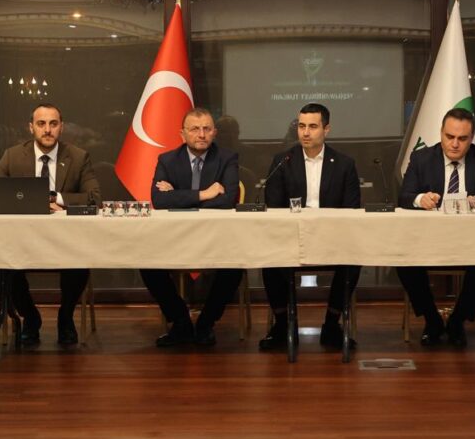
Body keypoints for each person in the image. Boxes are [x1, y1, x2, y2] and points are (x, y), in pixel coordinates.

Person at [0, 103, 101, 346]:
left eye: (53, 124)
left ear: (61, 127)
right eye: (41, 124)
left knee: (80, 260)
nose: (47, 130)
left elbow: (95, 198)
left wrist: (55, 198)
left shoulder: (78, 157)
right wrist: (31, 201)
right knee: (0, 263)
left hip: (66, 241)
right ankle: (31, 317)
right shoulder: (13, 156)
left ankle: (65, 317)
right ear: (31, 127)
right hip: (23, 239)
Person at [396, 108, 475, 347]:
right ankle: (432, 319)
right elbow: (404, 196)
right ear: (441, 133)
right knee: (403, 262)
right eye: (449, 137)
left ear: (472, 138)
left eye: (462, 138)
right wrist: (420, 199)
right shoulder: (422, 158)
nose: (455, 144)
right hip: (429, 239)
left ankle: (458, 320)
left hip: (473, 240)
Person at [259, 103, 362, 351]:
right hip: (291, 238)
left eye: (313, 126)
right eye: (301, 126)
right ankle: (283, 325)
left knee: (354, 260)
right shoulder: (283, 161)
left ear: (326, 129)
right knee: (268, 259)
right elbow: (273, 207)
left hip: (332, 239)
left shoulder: (344, 164)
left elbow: (351, 210)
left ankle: (331, 324)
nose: (305, 132)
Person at [142, 107, 243, 347]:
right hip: (174, 238)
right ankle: (180, 321)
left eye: (207, 129)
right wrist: (203, 194)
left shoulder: (227, 158)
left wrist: (179, 196)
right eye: (195, 129)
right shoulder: (167, 160)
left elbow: (228, 200)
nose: (201, 134)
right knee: (146, 264)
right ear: (182, 134)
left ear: (214, 132)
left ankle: (206, 323)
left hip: (215, 238)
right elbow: (159, 200)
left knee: (235, 266)